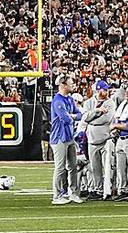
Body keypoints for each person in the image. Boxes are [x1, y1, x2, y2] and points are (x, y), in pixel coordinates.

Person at [50, 76, 83, 205]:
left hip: (69, 136)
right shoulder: (57, 100)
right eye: (71, 83)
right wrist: (73, 116)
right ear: (63, 85)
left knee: (73, 166)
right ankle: (57, 195)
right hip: (59, 137)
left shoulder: (69, 99)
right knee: (60, 167)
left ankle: (73, 193)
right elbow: (65, 118)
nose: (73, 85)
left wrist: (73, 116)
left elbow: (79, 115)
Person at [83, 80, 117, 200]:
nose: (106, 92)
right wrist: (97, 111)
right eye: (104, 89)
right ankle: (97, 189)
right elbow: (85, 117)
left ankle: (107, 190)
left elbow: (106, 119)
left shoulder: (110, 103)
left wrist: (92, 119)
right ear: (98, 89)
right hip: (92, 138)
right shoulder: (89, 102)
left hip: (106, 137)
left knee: (107, 167)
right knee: (94, 167)